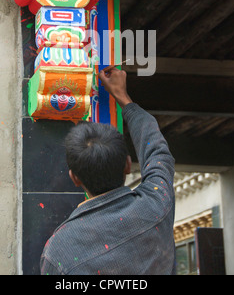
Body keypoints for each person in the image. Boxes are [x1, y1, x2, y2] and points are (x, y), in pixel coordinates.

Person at [40, 68, 176, 275]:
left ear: (74, 177)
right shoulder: (157, 204)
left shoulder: (58, 252)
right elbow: (158, 152)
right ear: (128, 165)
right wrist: (123, 98)